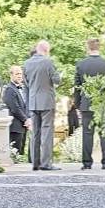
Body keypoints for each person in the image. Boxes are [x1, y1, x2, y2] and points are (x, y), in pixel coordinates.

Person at [74, 39, 105, 170]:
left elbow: (77, 87)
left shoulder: (81, 65)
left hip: (87, 104)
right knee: (104, 134)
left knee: (87, 134)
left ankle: (87, 163)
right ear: (99, 47)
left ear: (88, 48)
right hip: (103, 104)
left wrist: (78, 105)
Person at [23, 40, 61, 171]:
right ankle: (46, 164)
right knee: (46, 133)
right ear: (46, 50)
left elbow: (26, 85)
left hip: (33, 102)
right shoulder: (48, 62)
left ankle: (35, 163)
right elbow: (57, 80)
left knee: (35, 133)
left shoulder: (26, 64)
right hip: (46, 102)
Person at [3, 65, 30, 156]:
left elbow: (24, 107)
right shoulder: (9, 89)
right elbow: (15, 108)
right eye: (17, 74)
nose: (19, 76)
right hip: (15, 128)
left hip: (22, 127)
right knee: (15, 154)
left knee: (20, 154)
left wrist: (28, 119)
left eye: (21, 74)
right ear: (11, 75)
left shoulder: (22, 89)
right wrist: (26, 119)